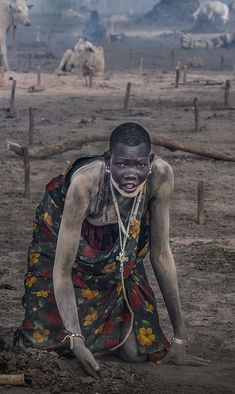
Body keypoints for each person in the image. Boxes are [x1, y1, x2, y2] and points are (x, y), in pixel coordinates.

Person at [15, 122, 208, 375]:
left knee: (137, 354)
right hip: (64, 242)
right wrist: (75, 337)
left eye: (140, 165)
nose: (131, 174)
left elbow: (160, 253)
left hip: (119, 255)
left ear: (150, 162)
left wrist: (180, 337)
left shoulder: (160, 177)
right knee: (40, 347)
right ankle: (81, 334)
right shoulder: (85, 185)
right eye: (121, 164)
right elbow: (62, 271)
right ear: (108, 160)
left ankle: (105, 330)